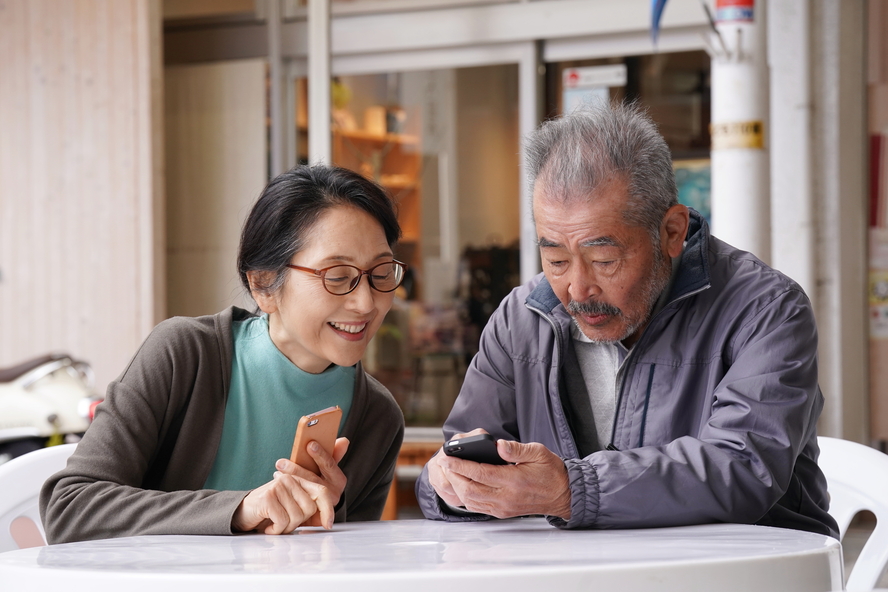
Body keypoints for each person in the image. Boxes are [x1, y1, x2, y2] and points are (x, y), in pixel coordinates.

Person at [415, 101, 839, 538]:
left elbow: (745, 466)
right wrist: (453, 485)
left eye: (604, 259)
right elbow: (455, 460)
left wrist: (571, 490)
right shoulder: (521, 321)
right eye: (556, 259)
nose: (577, 290)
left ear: (671, 232)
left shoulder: (765, 309)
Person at [41, 165, 406, 543]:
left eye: (380, 273)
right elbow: (70, 509)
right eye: (337, 275)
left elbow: (351, 568)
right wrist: (240, 509)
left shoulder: (378, 418)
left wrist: (325, 517)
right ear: (264, 284)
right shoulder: (184, 356)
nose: (366, 303)